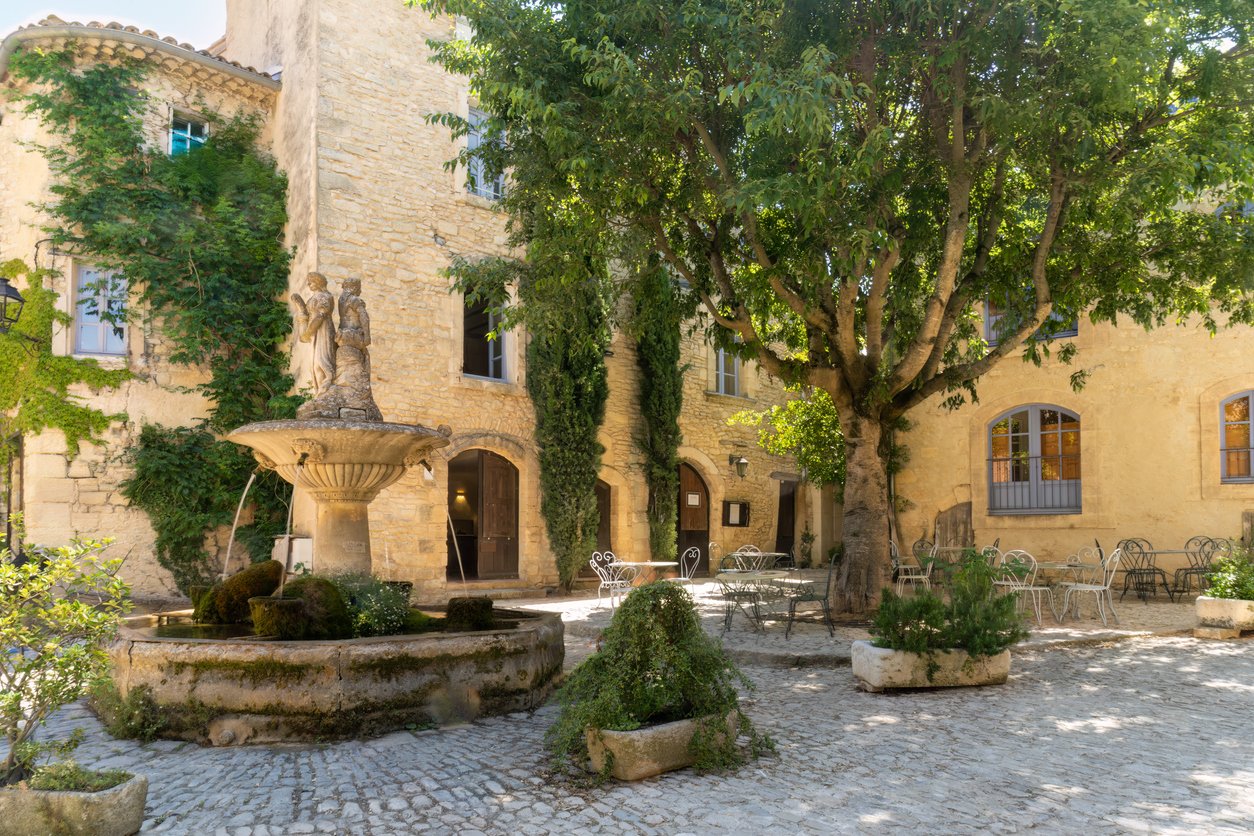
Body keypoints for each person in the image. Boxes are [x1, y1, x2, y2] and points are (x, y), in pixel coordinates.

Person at [290, 272, 335, 396]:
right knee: (314, 366)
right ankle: (319, 393)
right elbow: (307, 316)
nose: (309, 283)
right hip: (314, 333)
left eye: (312, 281)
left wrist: (308, 332)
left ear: (319, 282)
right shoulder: (312, 299)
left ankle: (326, 391)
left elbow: (321, 316)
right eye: (308, 281)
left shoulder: (325, 297)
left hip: (323, 331)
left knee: (322, 362)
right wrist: (301, 308)